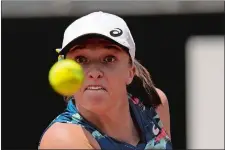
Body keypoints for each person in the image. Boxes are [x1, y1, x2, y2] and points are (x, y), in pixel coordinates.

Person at [39, 11, 172, 149]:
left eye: (109, 59)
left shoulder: (154, 104)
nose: (95, 73)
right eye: (81, 59)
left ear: (130, 72)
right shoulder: (63, 139)